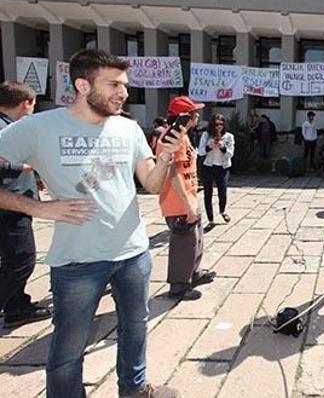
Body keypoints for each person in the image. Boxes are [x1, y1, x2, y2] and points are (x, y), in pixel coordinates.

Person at [0, 49, 182, 397]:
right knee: (69, 348)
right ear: (82, 85)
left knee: (136, 329)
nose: (124, 93)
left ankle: (135, 390)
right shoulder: (39, 127)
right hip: (77, 262)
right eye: (113, 84)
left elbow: (152, 183)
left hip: (133, 254)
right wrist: (35, 207)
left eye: (125, 85)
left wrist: (165, 159)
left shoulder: (128, 128)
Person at [0, 81, 51, 328]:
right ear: (25, 103)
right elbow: (5, 163)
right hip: (8, 207)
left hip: (16, 203)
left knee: (12, 258)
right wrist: (30, 166)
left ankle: (16, 306)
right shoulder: (3, 129)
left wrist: (34, 178)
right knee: (22, 259)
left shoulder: (10, 126)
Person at [157, 96, 216, 301]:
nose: (197, 116)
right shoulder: (172, 138)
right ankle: (179, 286)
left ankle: (194, 273)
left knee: (196, 240)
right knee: (183, 243)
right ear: (184, 116)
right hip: (178, 201)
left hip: (189, 197)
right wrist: (187, 203)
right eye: (194, 113)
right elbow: (172, 173)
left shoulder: (183, 135)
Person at [198, 113, 234, 227]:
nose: (218, 127)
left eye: (221, 124)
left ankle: (222, 211)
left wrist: (222, 147)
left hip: (222, 167)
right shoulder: (206, 135)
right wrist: (210, 146)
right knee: (208, 193)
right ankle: (210, 219)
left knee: (222, 192)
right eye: (216, 124)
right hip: (208, 166)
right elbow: (200, 151)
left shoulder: (228, 136)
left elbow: (230, 154)